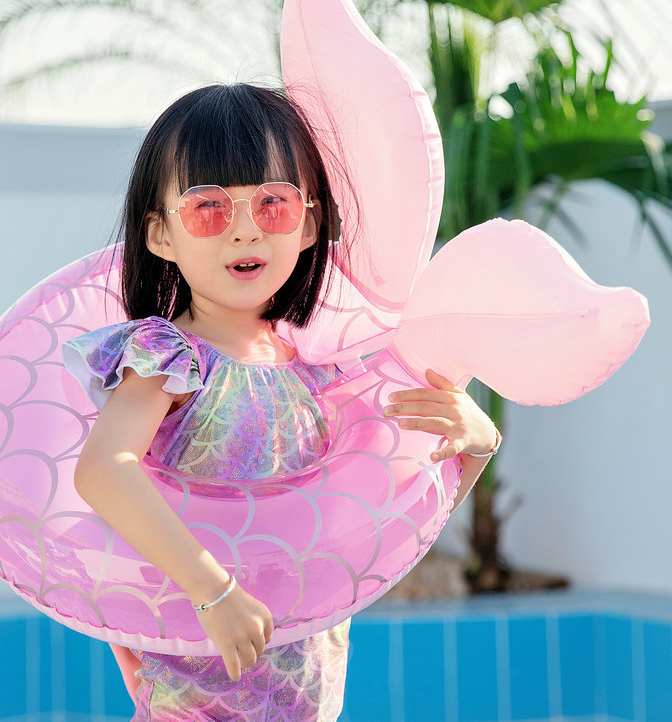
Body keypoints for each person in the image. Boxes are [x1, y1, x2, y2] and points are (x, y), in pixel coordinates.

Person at [62, 82, 500, 721]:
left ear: (310, 223)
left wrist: (474, 451)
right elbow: (105, 469)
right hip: (193, 703)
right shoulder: (169, 359)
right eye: (208, 209)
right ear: (160, 235)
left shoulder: (322, 373)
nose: (244, 230)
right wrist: (213, 592)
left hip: (308, 700)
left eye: (273, 203)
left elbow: (379, 528)